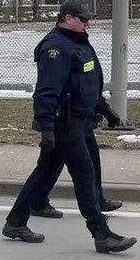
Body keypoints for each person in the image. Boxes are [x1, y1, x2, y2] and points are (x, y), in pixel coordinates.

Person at [2, 0, 136, 254]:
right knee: (83, 173)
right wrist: (46, 128)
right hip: (63, 122)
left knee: (46, 171)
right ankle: (101, 233)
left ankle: (15, 222)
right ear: (67, 18)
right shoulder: (56, 49)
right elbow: (46, 92)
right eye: (82, 19)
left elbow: (85, 81)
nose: (87, 23)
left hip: (80, 119)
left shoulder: (77, 43)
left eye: (87, 19)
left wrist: (104, 109)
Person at [29, 88, 125, 219]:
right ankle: (23, 214)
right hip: (65, 118)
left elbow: (89, 84)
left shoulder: (84, 67)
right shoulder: (60, 67)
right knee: (53, 165)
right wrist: (46, 127)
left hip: (80, 116)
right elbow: (48, 90)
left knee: (90, 156)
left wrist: (104, 108)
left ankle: (96, 200)